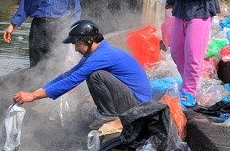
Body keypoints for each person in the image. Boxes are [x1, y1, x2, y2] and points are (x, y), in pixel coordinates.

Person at [13, 19, 152, 131]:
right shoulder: (95, 54)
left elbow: (72, 80)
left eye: (77, 43)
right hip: (130, 99)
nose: (75, 48)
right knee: (92, 75)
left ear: (89, 40)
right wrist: (35, 93)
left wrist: (33, 96)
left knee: (96, 76)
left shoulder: (101, 56)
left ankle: (112, 117)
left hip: (137, 105)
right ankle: (109, 114)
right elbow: (68, 74)